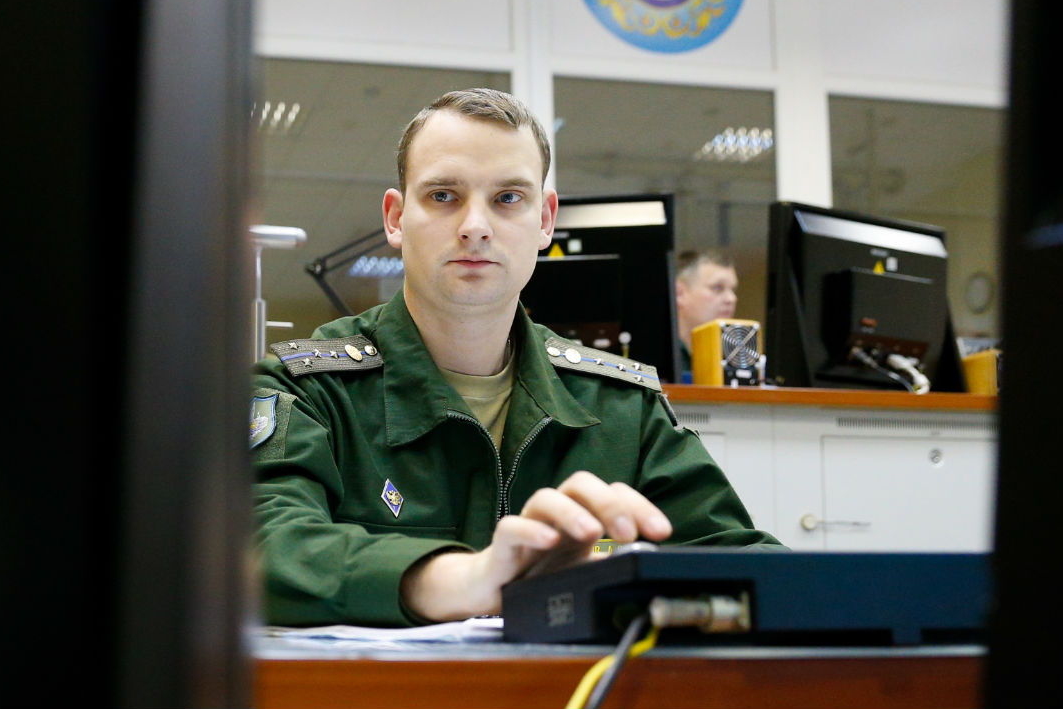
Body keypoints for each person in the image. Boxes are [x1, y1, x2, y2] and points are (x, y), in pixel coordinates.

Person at [251, 89, 779, 627]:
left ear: (546, 220)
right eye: (442, 196)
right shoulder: (308, 391)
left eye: (507, 198)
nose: (475, 225)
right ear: (395, 218)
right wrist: (458, 580)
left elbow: (749, 563)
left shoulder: (623, 407)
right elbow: (253, 546)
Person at [674, 248, 740, 380]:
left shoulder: (735, 357)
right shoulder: (655, 359)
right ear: (679, 293)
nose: (731, 299)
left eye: (733, 290)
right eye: (717, 288)